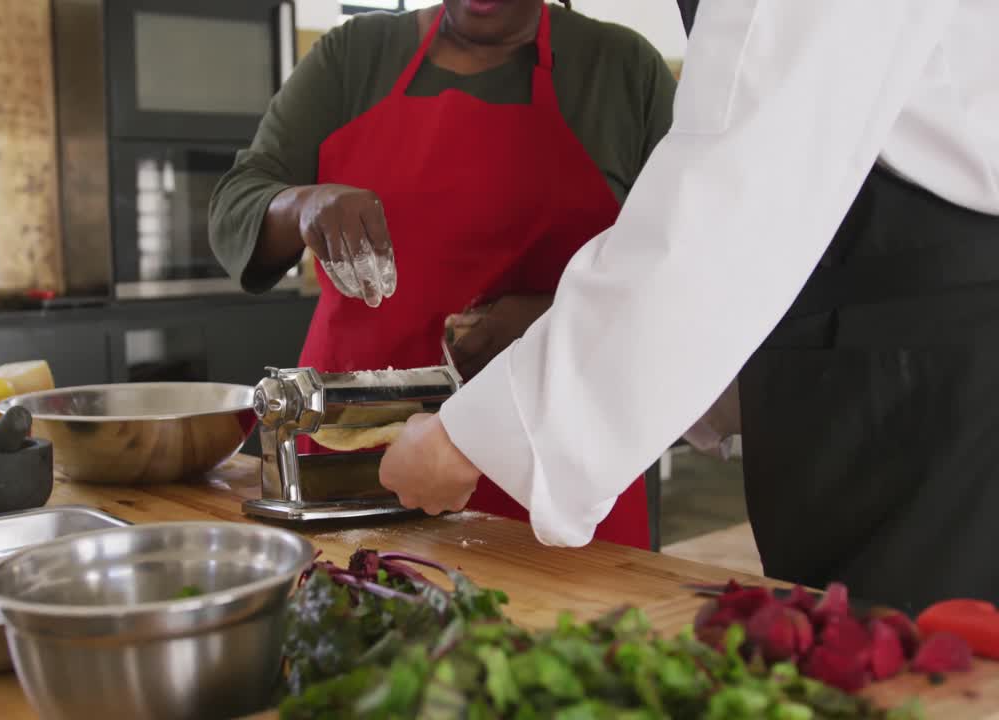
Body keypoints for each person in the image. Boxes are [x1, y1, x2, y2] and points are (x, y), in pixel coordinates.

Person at [378, 0, 999, 614]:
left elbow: (732, 196)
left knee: (916, 674)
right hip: (882, 360)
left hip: (930, 381)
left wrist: (477, 438)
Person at [210, 0, 677, 549]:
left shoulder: (622, 71)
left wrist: (552, 322)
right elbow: (234, 205)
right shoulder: (354, 57)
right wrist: (303, 206)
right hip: (356, 463)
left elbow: (683, 269)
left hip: (548, 467)